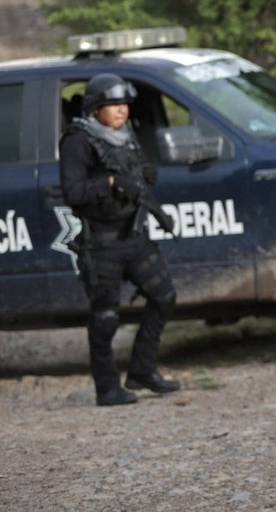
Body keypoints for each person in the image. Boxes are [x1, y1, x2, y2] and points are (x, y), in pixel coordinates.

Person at [60, 73, 181, 407]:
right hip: (101, 245)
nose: (121, 110)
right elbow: (72, 192)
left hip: (133, 236)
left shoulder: (123, 136)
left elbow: (141, 172)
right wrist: (109, 183)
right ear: (95, 107)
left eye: (124, 104)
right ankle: (107, 388)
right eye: (113, 104)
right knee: (105, 317)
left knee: (164, 296)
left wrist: (144, 176)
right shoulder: (78, 141)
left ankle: (142, 370)